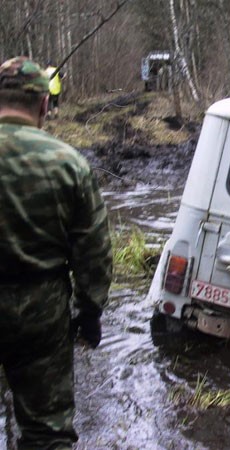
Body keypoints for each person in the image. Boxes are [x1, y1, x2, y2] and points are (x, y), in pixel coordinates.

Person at [0, 56, 112, 449]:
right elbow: (93, 248)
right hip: (42, 311)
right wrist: (90, 310)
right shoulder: (69, 164)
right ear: (44, 105)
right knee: (46, 431)